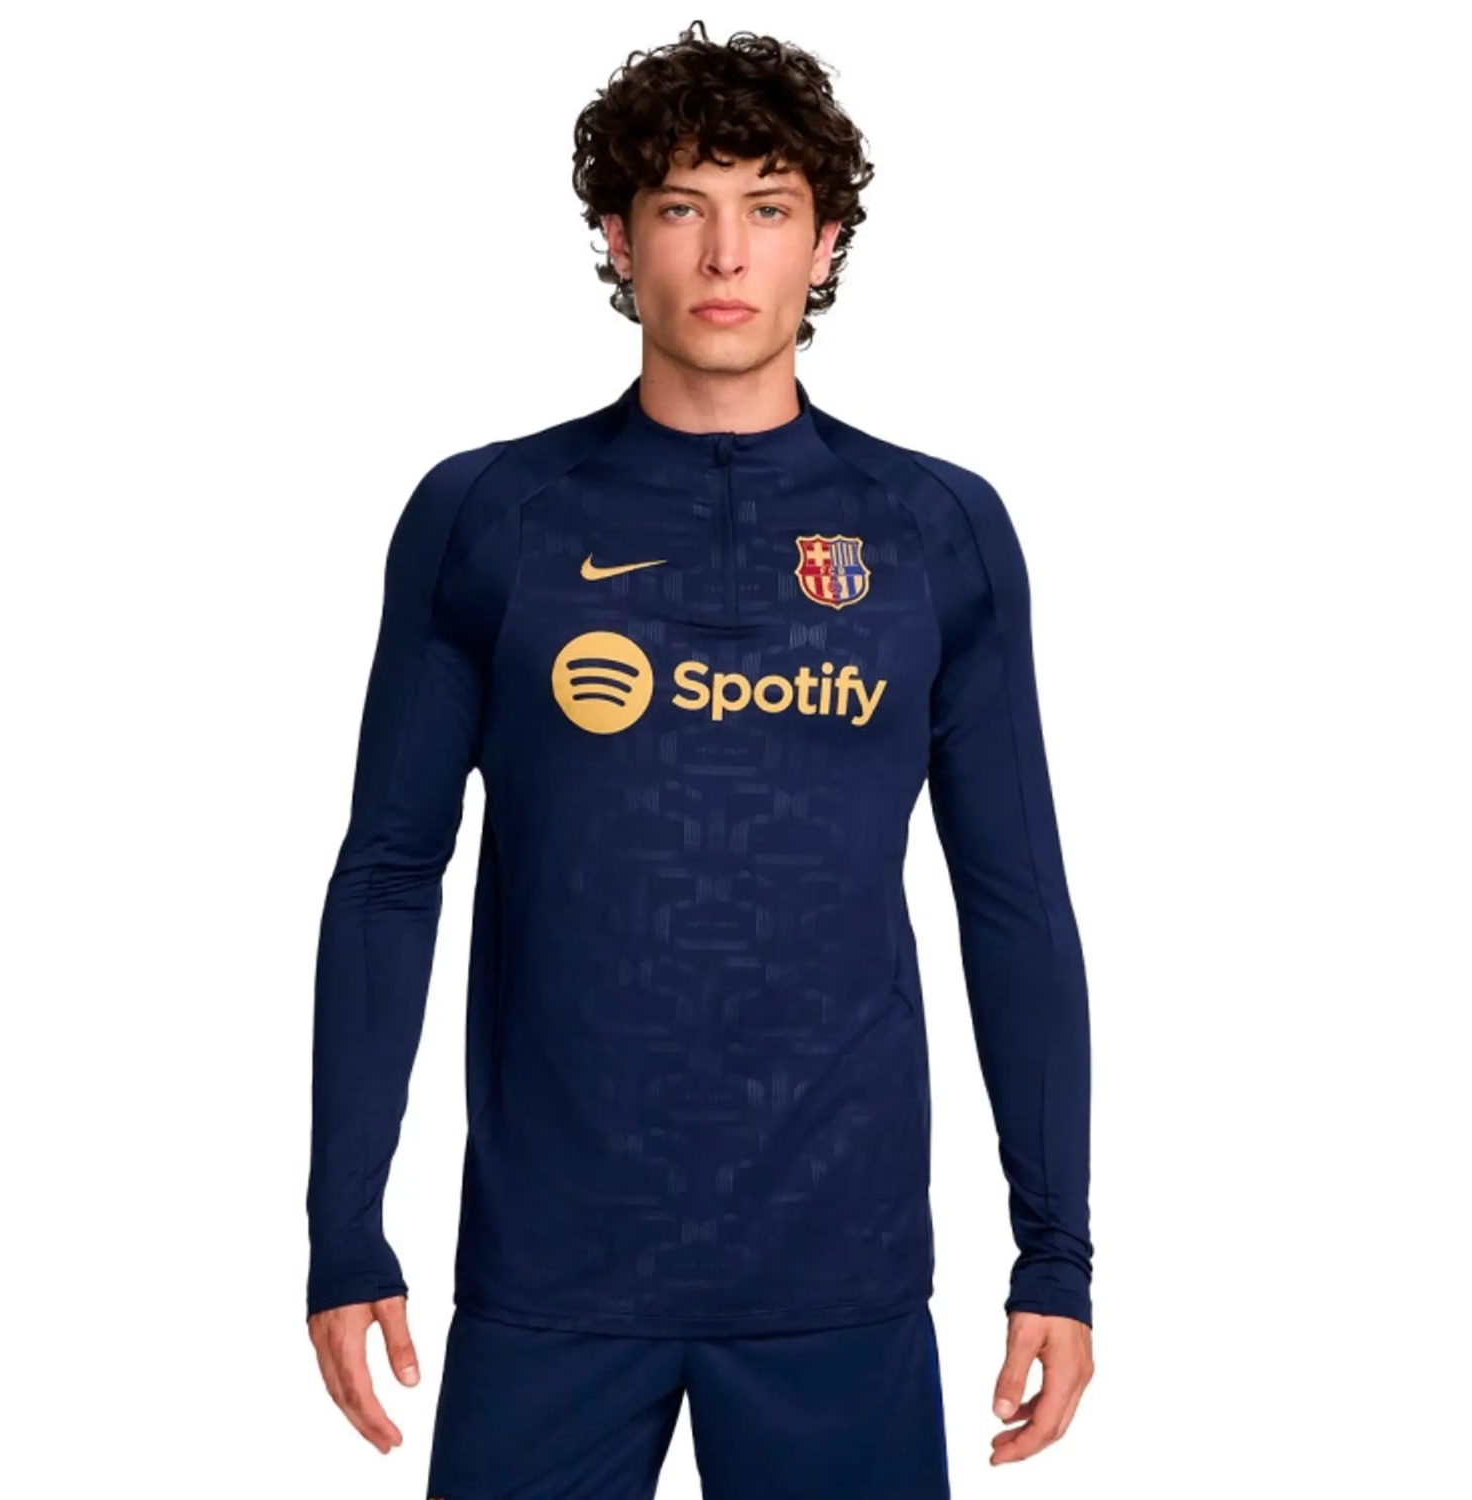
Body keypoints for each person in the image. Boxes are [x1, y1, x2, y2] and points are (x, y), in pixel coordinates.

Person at [305, 19, 1094, 1496]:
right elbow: (391, 873)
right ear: (619, 238)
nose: (726, 253)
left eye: (769, 206)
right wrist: (344, 1226)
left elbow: (1015, 899)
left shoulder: (934, 533)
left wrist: (1057, 1249)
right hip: (553, 1269)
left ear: (826, 241)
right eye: (682, 206)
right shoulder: (490, 519)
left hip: (838, 1272)